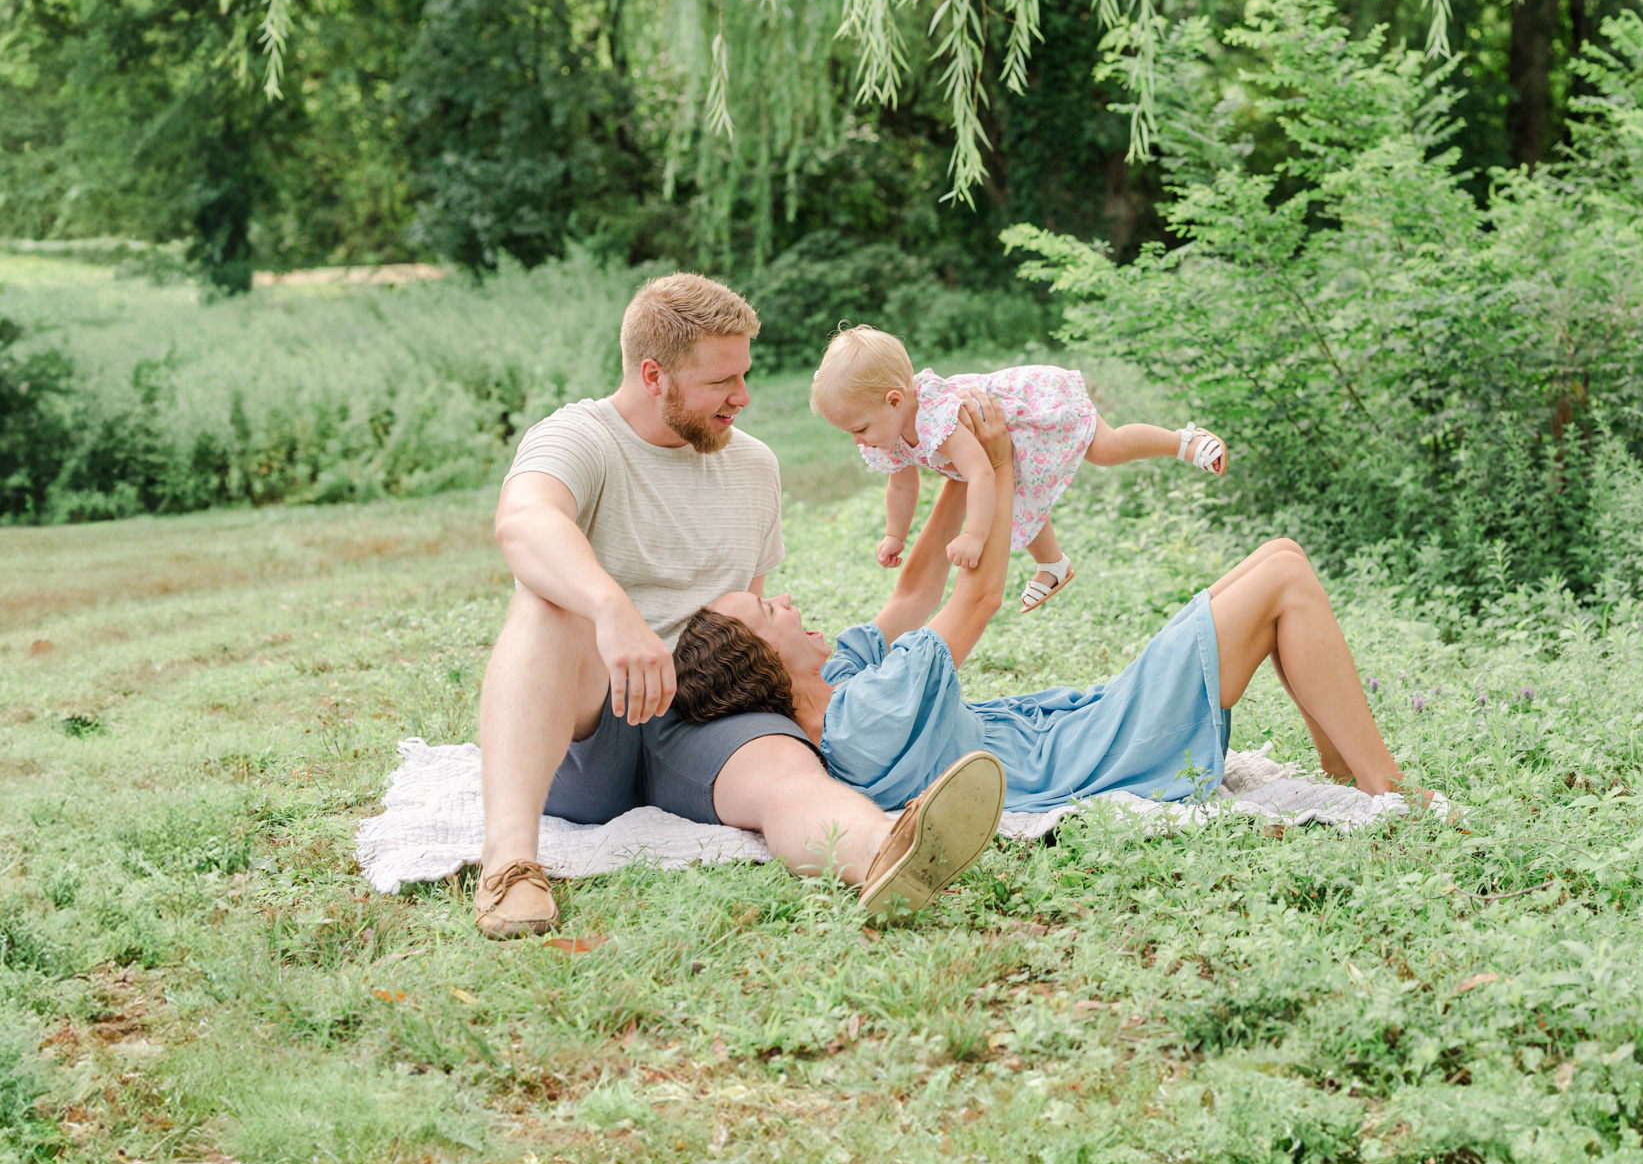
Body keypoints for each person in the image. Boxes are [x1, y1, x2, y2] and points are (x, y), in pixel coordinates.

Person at [474, 276, 1008, 937]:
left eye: (745, 374)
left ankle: (885, 852)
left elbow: (754, 620)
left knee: (786, 773)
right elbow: (523, 522)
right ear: (654, 375)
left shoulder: (754, 465)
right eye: (722, 381)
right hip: (594, 712)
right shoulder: (581, 438)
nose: (743, 397)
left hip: (707, 710)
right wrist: (610, 607)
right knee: (545, 600)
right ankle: (509, 866)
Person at [669, 394, 1402, 815]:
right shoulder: (865, 715)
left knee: (1282, 557)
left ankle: (1344, 772)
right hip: (1106, 752)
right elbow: (976, 596)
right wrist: (1005, 463)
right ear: (765, 661)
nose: (786, 600)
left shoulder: (845, 676)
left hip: (1088, 722)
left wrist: (961, 464)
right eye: (769, 613)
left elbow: (916, 590)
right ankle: (1392, 794)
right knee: (1285, 582)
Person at [808, 326, 1229, 614]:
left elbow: (983, 474)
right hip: (1007, 448)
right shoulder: (891, 431)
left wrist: (973, 535)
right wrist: (893, 534)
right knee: (1020, 504)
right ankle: (1054, 566)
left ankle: (1182, 441)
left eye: (860, 428)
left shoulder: (940, 418)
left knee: (1108, 448)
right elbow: (901, 484)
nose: (858, 441)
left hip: (1031, 413)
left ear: (896, 400)